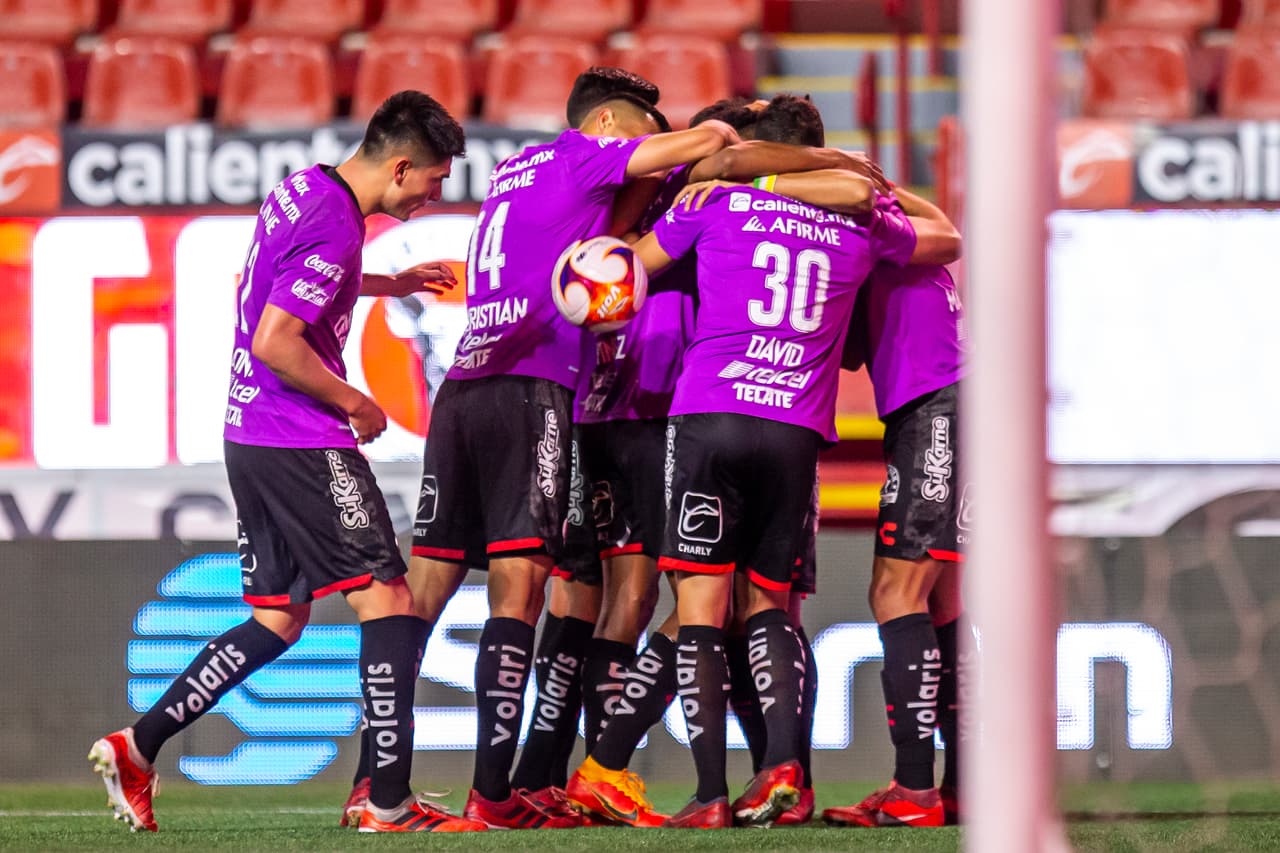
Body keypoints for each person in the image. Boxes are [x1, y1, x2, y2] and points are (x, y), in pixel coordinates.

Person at [87, 91, 479, 835]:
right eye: (433, 181)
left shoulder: (305, 189)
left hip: (249, 432)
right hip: (300, 433)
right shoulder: (335, 223)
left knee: (277, 615)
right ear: (400, 168)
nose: (435, 195)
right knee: (388, 601)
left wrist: (388, 284)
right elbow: (276, 338)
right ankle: (386, 801)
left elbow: (278, 286)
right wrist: (356, 402)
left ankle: (138, 745)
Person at [568, 97, 960, 829]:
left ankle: (707, 793)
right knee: (772, 603)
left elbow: (623, 274)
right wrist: (860, 179)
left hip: (709, 414)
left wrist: (577, 269)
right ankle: (788, 771)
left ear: (757, 152)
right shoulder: (858, 222)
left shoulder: (713, 202)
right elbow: (942, 239)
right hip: (797, 430)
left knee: (697, 606)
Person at [401, 67, 741, 830]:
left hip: (510, 387)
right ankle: (551, 782)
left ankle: (421, 781)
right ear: (617, 129)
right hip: (586, 395)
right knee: (592, 592)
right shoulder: (591, 157)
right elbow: (714, 144)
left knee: (547, 588)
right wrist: (714, 141)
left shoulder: (526, 176)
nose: (656, 154)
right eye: (647, 139)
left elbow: (607, 226)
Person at [820, 188, 969, 829]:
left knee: (894, 592)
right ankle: (965, 784)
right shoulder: (895, 239)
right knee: (944, 602)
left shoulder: (872, 230)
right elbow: (854, 351)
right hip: (954, 409)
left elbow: (949, 235)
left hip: (935, 411)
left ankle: (914, 790)